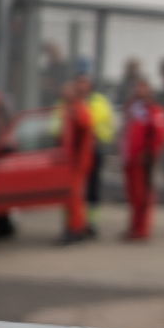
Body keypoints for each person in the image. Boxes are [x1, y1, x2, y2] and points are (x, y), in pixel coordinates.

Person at [119, 77, 164, 241]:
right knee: (133, 196)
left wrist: (150, 153)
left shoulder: (154, 109)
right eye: (137, 86)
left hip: (143, 161)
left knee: (143, 196)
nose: (138, 90)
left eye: (142, 86)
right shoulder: (131, 107)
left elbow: (161, 134)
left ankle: (142, 230)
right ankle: (133, 227)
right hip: (130, 159)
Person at [56, 75, 95, 244]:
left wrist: (74, 115)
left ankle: (75, 229)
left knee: (74, 196)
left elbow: (84, 124)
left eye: (67, 89)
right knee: (72, 196)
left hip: (78, 161)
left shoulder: (78, 108)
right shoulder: (68, 108)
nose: (63, 92)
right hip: (70, 160)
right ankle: (75, 226)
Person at [81, 68, 116, 233]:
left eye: (84, 82)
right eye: (79, 82)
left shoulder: (99, 102)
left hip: (94, 149)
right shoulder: (71, 101)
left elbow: (103, 125)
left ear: (91, 85)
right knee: (76, 189)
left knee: (92, 188)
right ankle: (76, 223)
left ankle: (92, 222)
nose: (81, 85)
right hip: (76, 152)